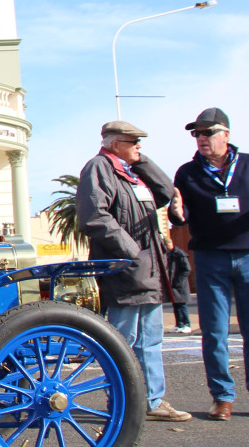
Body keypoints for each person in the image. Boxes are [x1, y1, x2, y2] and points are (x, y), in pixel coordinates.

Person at [76, 120, 191, 422]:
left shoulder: (132, 172)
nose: (140, 146)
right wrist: (130, 250)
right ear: (116, 144)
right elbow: (94, 216)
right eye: (134, 142)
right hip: (125, 269)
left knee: (150, 340)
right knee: (122, 341)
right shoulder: (98, 167)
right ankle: (122, 403)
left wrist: (143, 162)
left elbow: (165, 192)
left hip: (149, 269)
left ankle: (152, 401)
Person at [169, 107, 249, 421]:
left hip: (248, 255)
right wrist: (176, 211)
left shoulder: (247, 165)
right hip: (209, 258)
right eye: (197, 134)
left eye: (208, 132)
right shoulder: (187, 173)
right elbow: (180, 217)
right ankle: (222, 397)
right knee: (213, 332)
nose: (201, 138)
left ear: (226, 135)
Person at [163, 236, 192, 335]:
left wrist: (178, 281)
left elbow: (187, 269)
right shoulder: (170, 254)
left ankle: (186, 324)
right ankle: (179, 324)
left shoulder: (179, 254)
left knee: (182, 305)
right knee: (176, 305)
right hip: (174, 285)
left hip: (180, 286)